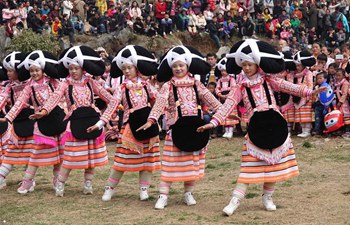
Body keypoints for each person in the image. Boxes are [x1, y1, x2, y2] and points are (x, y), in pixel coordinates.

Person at [197, 39, 326, 215]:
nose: (247, 68)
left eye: (250, 64)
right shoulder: (239, 87)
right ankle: (235, 201)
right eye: (244, 65)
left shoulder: (269, 79)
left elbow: (289, 87)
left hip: (275, 125)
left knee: (273, 169)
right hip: (256, 129)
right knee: (247, 169)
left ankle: (267, 197)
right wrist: (213, 123)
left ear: (257, 63)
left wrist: (310, 92)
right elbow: (228, 106)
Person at [137, 46, 222, 210]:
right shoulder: (168, 86)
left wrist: (222, 113)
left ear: (187, 66)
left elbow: (211, 100)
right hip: (176, 130)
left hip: (196, 129)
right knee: (169, 164)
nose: (178, 68)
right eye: (175, 66)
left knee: (191, 164)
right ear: (171, 68)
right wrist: (152, 119)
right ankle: (163, 195)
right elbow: (160, 103)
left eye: (181, 65)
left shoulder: (197, 84)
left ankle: (188, 193)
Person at [30, 46, 115, 197]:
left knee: (90, 156)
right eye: (70, 68)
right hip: (74, 122)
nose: (73, 71)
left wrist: (114, 108)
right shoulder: (65, 84)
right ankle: (61, 183)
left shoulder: (90, 82)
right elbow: (54, 98)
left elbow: (107, 97)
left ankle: (88, 183)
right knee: (70, 156)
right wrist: (43, 111)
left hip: (91, 120)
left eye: (76, 68)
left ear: (83, 69)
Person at [88, 45, 161, 202]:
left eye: (129, 68)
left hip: (148, 125)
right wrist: (100, 123)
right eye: (124, 69)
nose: (126, 71)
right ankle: (109, 188)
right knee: (121, 160)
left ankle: (144, 190)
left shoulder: (147, 86)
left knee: (148, 161)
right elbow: (113, 106)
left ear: (136, 68)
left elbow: (158, 101)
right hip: (130, 125)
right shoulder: (121, 88)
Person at [0, 51, 66, 194]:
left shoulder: (52, 82)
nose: (34, 73)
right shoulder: (28, 86)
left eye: (37, 70)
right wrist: (8, 117)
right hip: (38, 121)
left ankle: (57, 180)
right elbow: (19, 102)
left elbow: (59, 94)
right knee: (35, 153)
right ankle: (27, 181)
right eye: (31, 71)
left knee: (60, 154)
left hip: (56, 118)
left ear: (43, 69)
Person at [0, 52, 31, 190]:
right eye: (7, 70)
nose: (8, 73)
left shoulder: (29, 84)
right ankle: (1, 177)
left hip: (30, 121)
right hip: (16, 122)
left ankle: (29, 179)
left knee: (31, 153)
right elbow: (2, 98)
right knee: (11, 150)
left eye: (11, 70)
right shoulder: (8, 86)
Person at [292, 51, 316, 138]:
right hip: (298, 96)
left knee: (306, 114)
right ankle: (303, 130)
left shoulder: (308, 73)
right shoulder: (296, 75)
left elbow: (310, 85)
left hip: (306, 97)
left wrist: (308, 95)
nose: (297, 67)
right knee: (301, 114)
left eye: (299, 65)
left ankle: (307, 130)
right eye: (296, 66)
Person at [214, 58, 238, 139]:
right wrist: (220, 95)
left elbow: (234, 88)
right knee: (225, 114)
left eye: (225, 70)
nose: (223, 72)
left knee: (230, 114)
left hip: (230, 98)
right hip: (222, 99)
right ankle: (226, 130)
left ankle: (230, 130)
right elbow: (217, 88)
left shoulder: (231, 79)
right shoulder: (220, 80)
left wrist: (228, 95)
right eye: (222, 71)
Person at [333, 68, 350, 136]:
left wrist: (341, 102)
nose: (337, 77)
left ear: (343, 76)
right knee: (339, 115)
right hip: (336, 101)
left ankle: (347, 130)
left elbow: (345, 94)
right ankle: (340, 129)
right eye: (336, 75)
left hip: (343, 102)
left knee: (346, 115)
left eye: (339, 75)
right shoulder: (336, 83)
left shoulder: (345, 83)